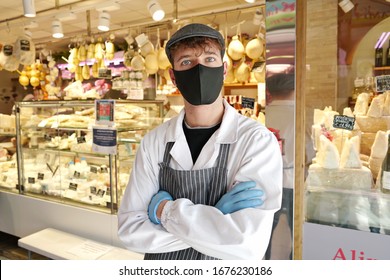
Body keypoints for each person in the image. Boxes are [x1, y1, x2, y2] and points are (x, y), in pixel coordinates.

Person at [118, 23, 283, 260]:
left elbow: (247, 244)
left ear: (224, 69)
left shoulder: (256, 141)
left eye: (209, 59)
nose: (199, 69)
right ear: (173, 76)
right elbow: (131, 231)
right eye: (186, 62)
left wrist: (164, 211)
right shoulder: (153, 142)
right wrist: (215, 217)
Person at [264, 72, 295, 260]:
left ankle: (264, 262)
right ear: (293, 90)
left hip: (267, 180)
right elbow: (310, 152)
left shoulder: (264, 115)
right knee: (294, 228)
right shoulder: (298, 115)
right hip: (291, 181)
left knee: (266, 227)